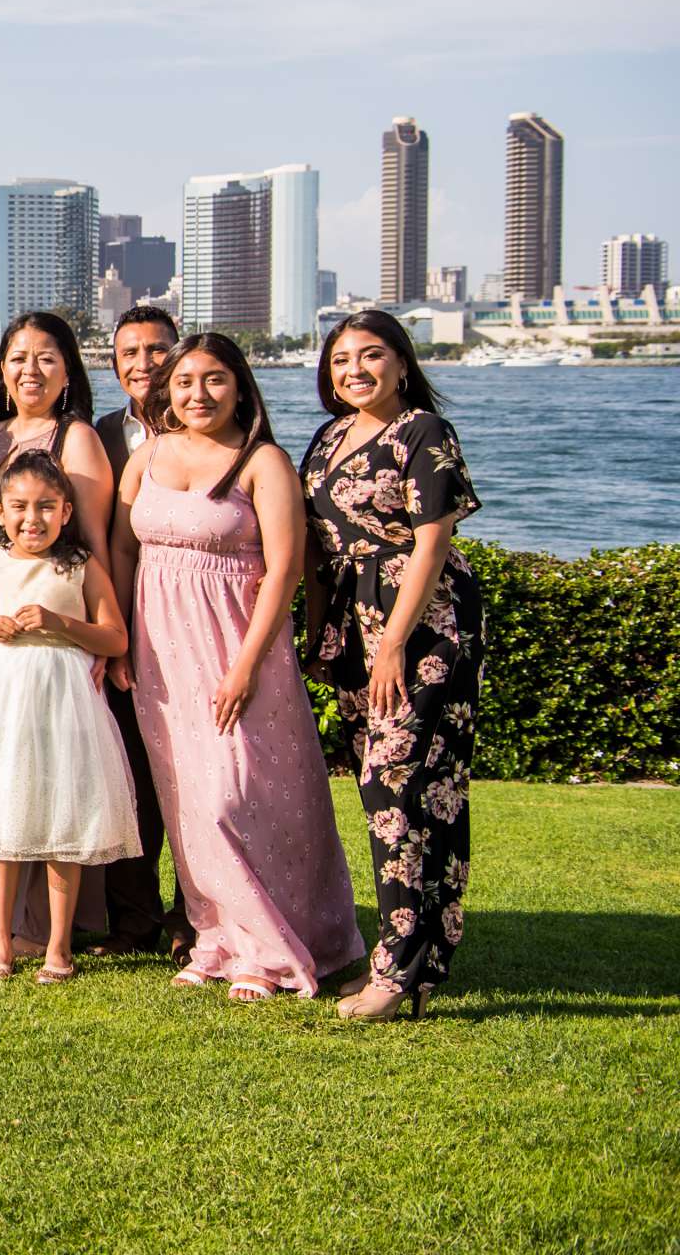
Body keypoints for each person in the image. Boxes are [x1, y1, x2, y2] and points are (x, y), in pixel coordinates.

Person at [113, 334, 364, 1003]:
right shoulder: (150, 456)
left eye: (214, 379)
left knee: (239, 795)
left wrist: (248, 664)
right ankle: (215, 936)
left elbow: (284, 568)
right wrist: (118, 642)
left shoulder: (263, 463)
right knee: (187, 801)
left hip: (236, 646)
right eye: (185, 381)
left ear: (240, 386)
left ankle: (269, 946)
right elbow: (120, 547)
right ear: (167, 390)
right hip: (160, 650)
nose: (199, 394)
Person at [300, 310, 485, 1023]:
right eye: (342, 360)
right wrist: (325, 637)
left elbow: (432, 543)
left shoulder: (423, 433)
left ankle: (396, 969)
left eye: (371, 356)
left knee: (394, 784)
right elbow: (320, 549)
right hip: (355, 628)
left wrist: (392, 642)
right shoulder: (327, 439)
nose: (355, 370)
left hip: (423, 625)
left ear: (402, 364)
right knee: (415, 794)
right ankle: (426, 962)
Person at [0, 452, 140, 985]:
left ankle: (58, 945)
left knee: (62, 818)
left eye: (46, 507)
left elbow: (116, 637)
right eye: (20, 508)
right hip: (2, 700)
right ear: (1, 511)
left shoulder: (79, 567)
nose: (32, 519)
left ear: (66, 511)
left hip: (62, 700)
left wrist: (60, 622)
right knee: (4, 816)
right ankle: (2, 941)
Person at [0, 309, 115, 947]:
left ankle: (62, 928)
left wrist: (98, 634)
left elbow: (94, 544)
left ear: (68, 369)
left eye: (46, 358)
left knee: (61, 766)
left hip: (55, 632)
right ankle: (9, 923)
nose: (30, 370)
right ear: (2, 367)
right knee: (2, 760)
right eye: (18, 357)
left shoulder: (75, 437)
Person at [92, 303, 188, 959]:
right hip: (126, 627)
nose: (145, 365)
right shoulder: (99, 434)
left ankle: (199, 915)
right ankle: (133, 921)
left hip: (198, 624)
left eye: (157, 350)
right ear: (114, 365)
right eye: (131, 354)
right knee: (127, 776)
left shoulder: (224, 428)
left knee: (200, 779)